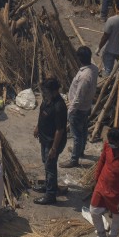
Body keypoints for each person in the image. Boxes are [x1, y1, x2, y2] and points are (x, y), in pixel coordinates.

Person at [63, 47, 98, 169]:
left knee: (77, 135)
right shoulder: (94, 68)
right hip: (86, 106)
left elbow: (79, 96)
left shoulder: (84, 76)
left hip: (79, 109)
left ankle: (74, 160)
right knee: (83, 131)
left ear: (80, 58)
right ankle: (80, 151)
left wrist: (70, 111)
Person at [34, 77, 67, 205]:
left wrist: (54, 148)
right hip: (44, 138)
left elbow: (60, 130)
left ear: (54, 91)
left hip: (52, 142)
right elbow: (41, 113)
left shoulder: (59, 106)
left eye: (46, 91)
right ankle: (48, 186)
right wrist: (37, 127)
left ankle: (50, 195)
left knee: (50, 167)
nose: (44, 93)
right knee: (46, 164)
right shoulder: (47, 99)